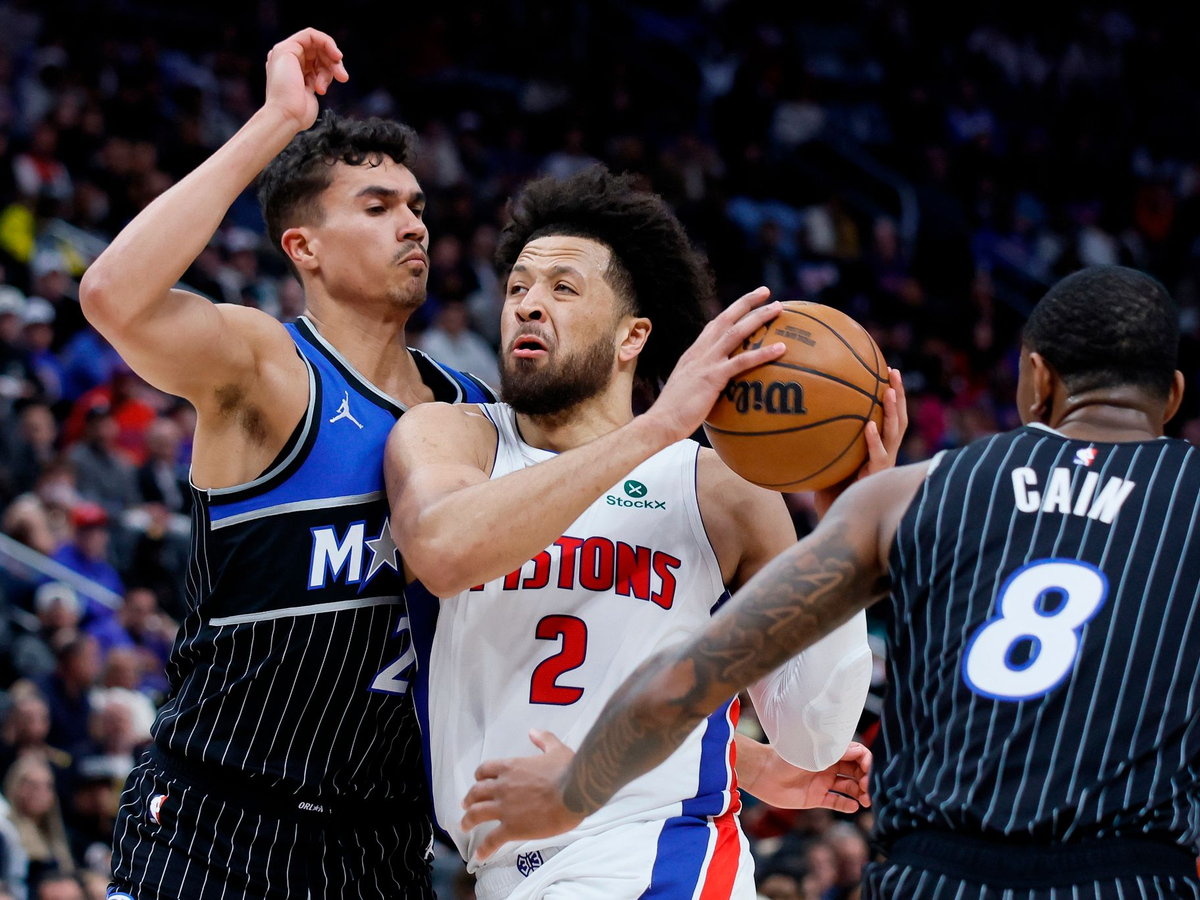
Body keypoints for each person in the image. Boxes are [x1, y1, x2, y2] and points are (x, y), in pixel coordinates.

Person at [461, 266, 1200, 898]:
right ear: (1171, 396)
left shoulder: (909, 496)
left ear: (1036, 381)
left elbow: (692, 676)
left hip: (933, 874)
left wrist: (571, 793)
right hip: (1132, 874)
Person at [386, 167, 904, 898]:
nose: (528, 304)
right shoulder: (454, 437)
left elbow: (812, 739)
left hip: (658, 856)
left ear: (633, 336)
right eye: (518, 287)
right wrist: (657, 426)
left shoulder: (718, 489)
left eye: (564, 288)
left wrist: (845, 529)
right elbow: (443, 552)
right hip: (505, 872)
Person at [78, 28, 496, 898]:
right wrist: (276, 121)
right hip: (213, 827)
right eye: (377, 207)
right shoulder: (270, 368)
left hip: (382, 849)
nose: (413, 224)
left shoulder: (474, 409)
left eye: (416, 205)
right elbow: (113, 296)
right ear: (303, 246)